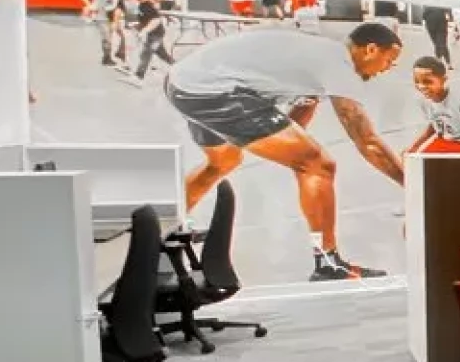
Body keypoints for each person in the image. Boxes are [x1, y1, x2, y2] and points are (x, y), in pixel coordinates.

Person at [164, 22, 407, 281]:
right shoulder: (339, 64)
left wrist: (292, 150)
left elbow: (296, 121)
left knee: (223, 161)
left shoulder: (321, 54)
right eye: (389, 61)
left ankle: (164, 228)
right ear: (371, 49)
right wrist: (414, 184)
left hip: (184, 83)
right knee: (319, 164)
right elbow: (367, 141)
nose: (387, 69)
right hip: (213, 92)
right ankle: (328, 263)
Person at [127, 0, 175, 83]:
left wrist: (144, 31)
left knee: (146, 53)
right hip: (153, 34)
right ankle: (178, 66)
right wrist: (136, 26)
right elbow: (145, 20)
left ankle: (139, 76)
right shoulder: (140, 6)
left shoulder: (148, 6)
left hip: (157, 35)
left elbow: (156, 20)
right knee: (162, 55)